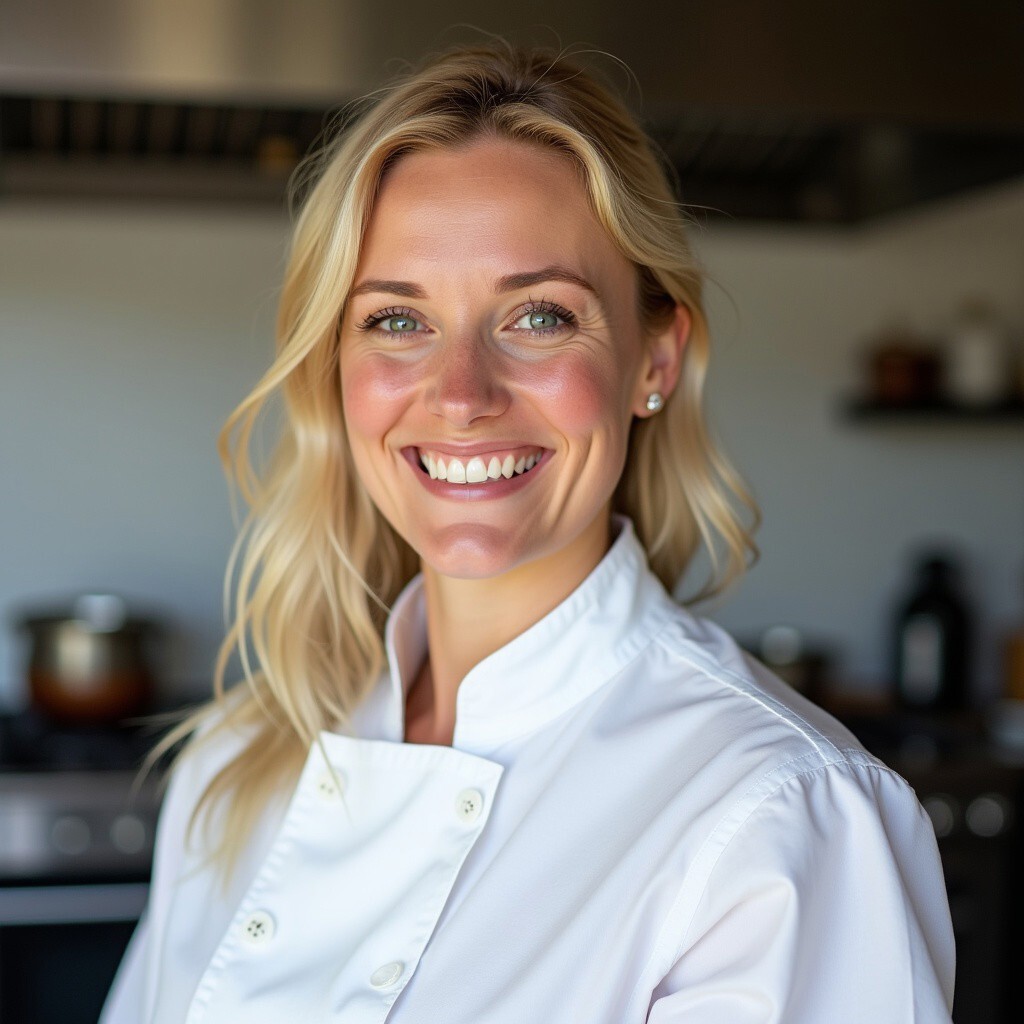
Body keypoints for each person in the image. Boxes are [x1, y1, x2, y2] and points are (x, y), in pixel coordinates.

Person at [102, 42, 955, 1023]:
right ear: (333, 368)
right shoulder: (242, 762)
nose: (462, 396)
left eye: (539, 315)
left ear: (655, 359)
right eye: (395, 320)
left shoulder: (779, 816)